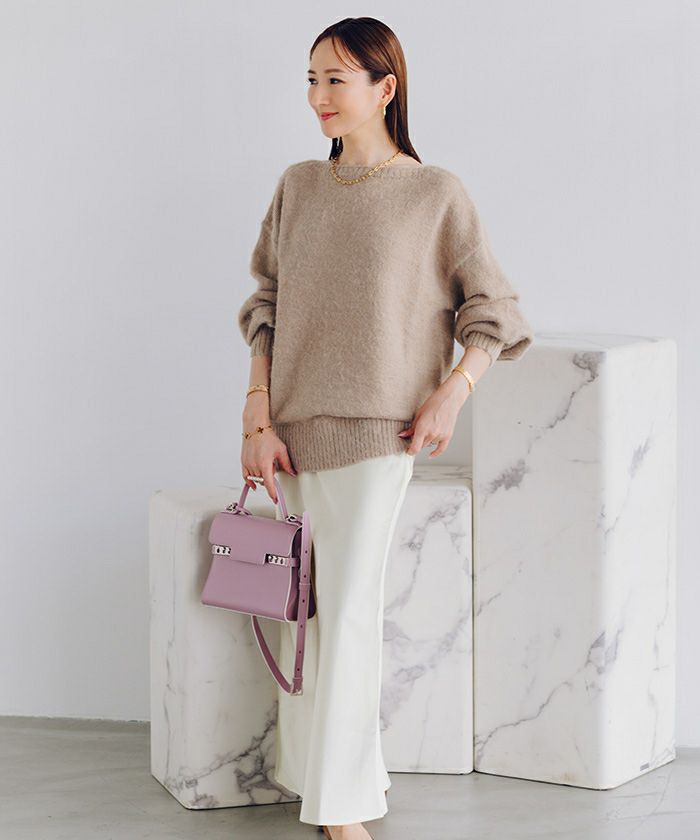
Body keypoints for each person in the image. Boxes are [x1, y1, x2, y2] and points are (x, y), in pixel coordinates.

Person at [238, 16, 534, 840]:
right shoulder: (298, 186)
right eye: (311, 79)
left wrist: (453, 392)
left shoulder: (434, 193)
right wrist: (256, 410)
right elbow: (266, 303)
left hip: (380, 435)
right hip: (292, 430)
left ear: (385, 88)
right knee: (311, 612)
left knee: (350, 612)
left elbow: (495, 311)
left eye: (336, 79)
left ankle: (341, 808)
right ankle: (325, 776)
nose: (318, 96)